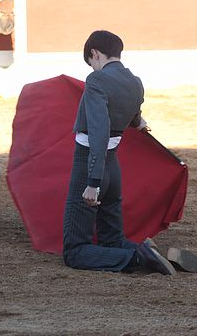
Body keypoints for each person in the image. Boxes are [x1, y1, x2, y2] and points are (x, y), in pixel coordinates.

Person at [62, 29, 174, 274]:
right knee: (111, 239)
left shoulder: (97, 80)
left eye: (91, 63)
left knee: (75, 251)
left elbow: (98, 132)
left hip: (91, 164)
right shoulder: (135, 82)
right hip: (113, 167)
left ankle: (140, 259)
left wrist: (92, 181)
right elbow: (133, 114)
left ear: (94, 54)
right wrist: (139, 123)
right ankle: (149, 254)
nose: (92, 68)